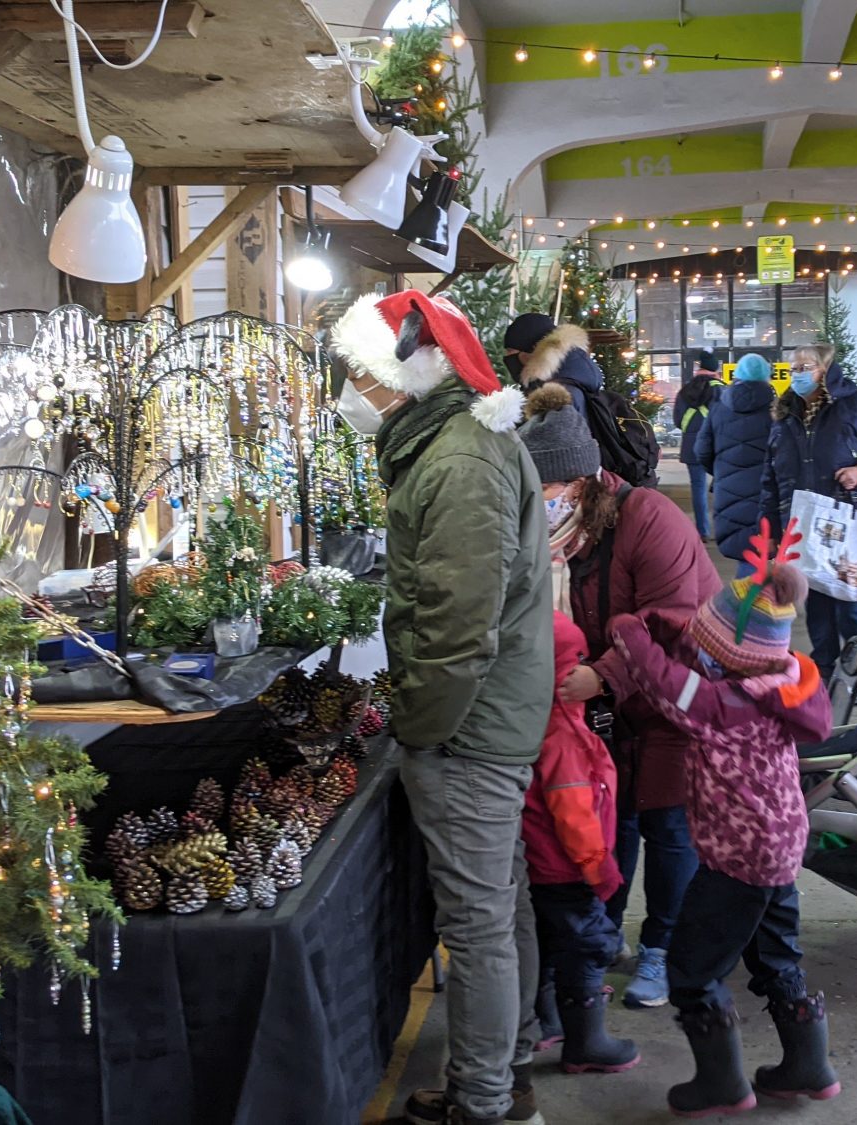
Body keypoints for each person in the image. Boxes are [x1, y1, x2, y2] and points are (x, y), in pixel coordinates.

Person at [333, 291, 551, 1125]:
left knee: (480, 918)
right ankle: (507, 1069)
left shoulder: (460, 461)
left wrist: (420, 724)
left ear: (404, 372)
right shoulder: (450, 443)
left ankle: (485, 1102)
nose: (351, 389)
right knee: (502, 900)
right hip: (490, 715)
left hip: (471, 726)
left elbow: (462, 630)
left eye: (359, 372)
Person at [601, 528, 839, 1115]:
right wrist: (675, 623)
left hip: (738, 859)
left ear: (725, 657)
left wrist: (630, 629)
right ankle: (808, 1067)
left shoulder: (721, 707)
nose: (697, 654)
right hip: (779, 853)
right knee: (775, 954)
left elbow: (664, 684)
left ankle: (722, 1085)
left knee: (692, 969)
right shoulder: (780, 680)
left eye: (706, 645)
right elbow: (711, 649)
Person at [518, 384, 722, 1012]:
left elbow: (674, 618)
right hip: (610, 699)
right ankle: (601, 939)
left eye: (546, 494)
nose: (539, 506)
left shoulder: (648, 518)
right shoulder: (566, 536)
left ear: (578, 484)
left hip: (676, 693)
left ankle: (664, 946)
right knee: (616, 812)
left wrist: (602, 675)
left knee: (666, 822)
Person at [523, 612, 637, 1075]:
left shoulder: (533, 723)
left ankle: (547, 1022)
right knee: (587, 945)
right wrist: (600, 869)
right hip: (569, 870)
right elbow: (575, 819)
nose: (582, 669)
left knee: (549, 944)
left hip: (542, 870)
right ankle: (587, 1043)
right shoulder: (563, 737)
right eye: (575, 660)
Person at [763, 343, 857, 685]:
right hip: (802, 528)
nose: (798, 373)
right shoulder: (784, 418)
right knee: (816, 607)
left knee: (854, 605)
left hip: (851, 525)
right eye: (794, 367)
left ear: (826, 370)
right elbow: (770, 479)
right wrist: (770, 528)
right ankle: (825, 672)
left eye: (806, 366)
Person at [697, 354, 777, 573]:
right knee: (769, 548)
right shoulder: (776, 410)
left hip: (728, 489)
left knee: (746, 555)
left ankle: (744, 603)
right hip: (767, 492)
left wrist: (721, 470)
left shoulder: (719, 407)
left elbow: (701, 449)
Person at [505, 312, 602, 420]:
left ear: (530, 352)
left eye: (510, 351)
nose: (507, 356)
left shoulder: (556, 397)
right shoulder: (566, 380)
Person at [674, 350, 724, 541]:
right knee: (722, 487)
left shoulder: (685, 390)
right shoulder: (721, 389)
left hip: (692, 445)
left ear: (699, 368)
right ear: (715, 369)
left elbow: (679, 420)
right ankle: (721, 529)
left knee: (698, 488)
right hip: (718, 445)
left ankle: (702, 531)